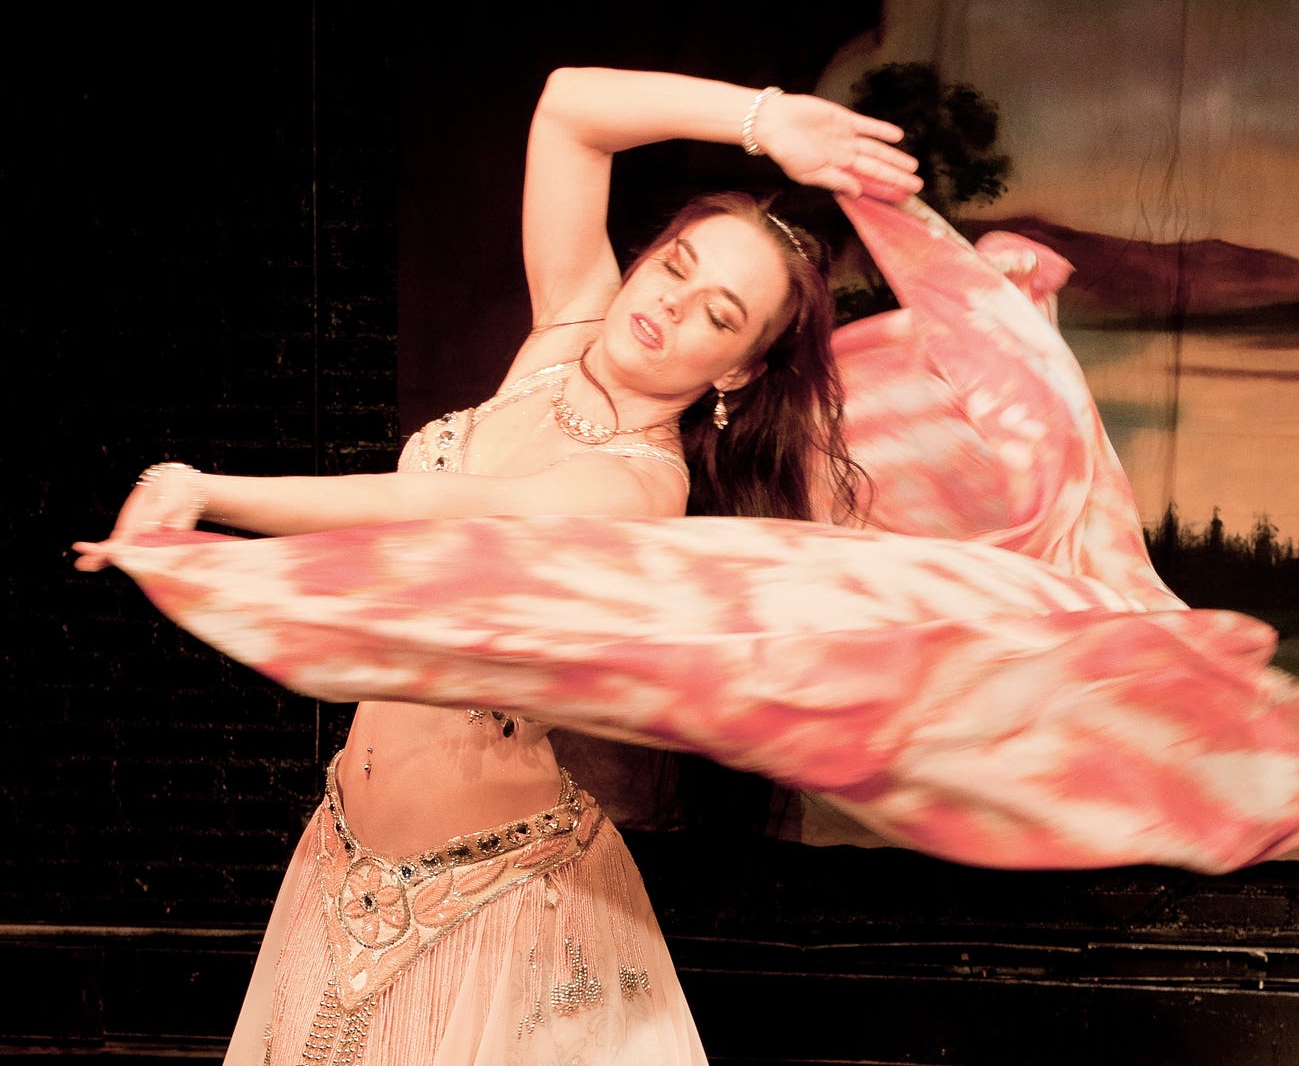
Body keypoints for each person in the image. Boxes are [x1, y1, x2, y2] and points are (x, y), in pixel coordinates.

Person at [73, 67, 923, 1065]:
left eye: (717, 313)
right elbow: (569, 109)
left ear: (733, 371)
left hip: (491, 901)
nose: (670, 301)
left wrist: (207, 488)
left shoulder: (640, 489)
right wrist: (761, 118)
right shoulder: (564, 332)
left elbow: (431, 509)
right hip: (344, 853)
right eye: (674, 264)